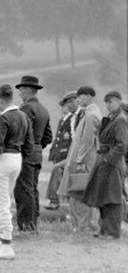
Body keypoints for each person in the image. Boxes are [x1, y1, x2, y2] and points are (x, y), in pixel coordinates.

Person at [0, 84, 34, 260]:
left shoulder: (3, 118)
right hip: (16, 159)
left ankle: (5, 244)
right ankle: (3, 242)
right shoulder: (23, 116)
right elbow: (29, 145)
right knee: (6, 199)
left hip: (2, 160)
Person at [83, 91, 127, 239]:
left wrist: (109, 159)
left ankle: (113, 231)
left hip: (112, 163)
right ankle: (104, 229)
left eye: (112, 101)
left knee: (113, 197)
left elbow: (122, 145)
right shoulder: (111, 118)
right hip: (103, 159)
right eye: (107, 102)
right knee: (102, 194)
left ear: (119, 102)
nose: (109, 105)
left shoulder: (121, 119)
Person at [58, 85, 103, 231]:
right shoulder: (88, 113)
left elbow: (87, 141)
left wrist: (80, 160)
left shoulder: (91, 115)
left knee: (81, 192)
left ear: (89, 96)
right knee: (76, 191)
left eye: (80, 96)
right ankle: (79, 224)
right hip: (81, 158)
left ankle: (84, 225)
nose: (78, 99)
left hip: (84, 160)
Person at [14, 75, 52, 232]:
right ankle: (33, 222)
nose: (20, 94)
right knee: (33, 188)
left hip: (25, 152)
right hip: (37, 153)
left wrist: (24, 148)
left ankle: (26, 224)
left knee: (23, 189)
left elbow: (22, 133)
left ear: (28, 90)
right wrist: (37, 147)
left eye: (21, 90)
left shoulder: (26, 109)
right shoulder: (43, 109)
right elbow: (48, 137)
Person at [44, 91, 77, 210]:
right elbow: (58, 139)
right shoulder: (63, 120)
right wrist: (53, 153)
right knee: (60, 178)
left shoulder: (71, 120)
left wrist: (63, 153)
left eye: (65, 105)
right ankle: (58, 200)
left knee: (59, 174)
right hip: (59, 154)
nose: (63, 108)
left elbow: (69, 140)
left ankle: (55, 200)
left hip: (66, 154)